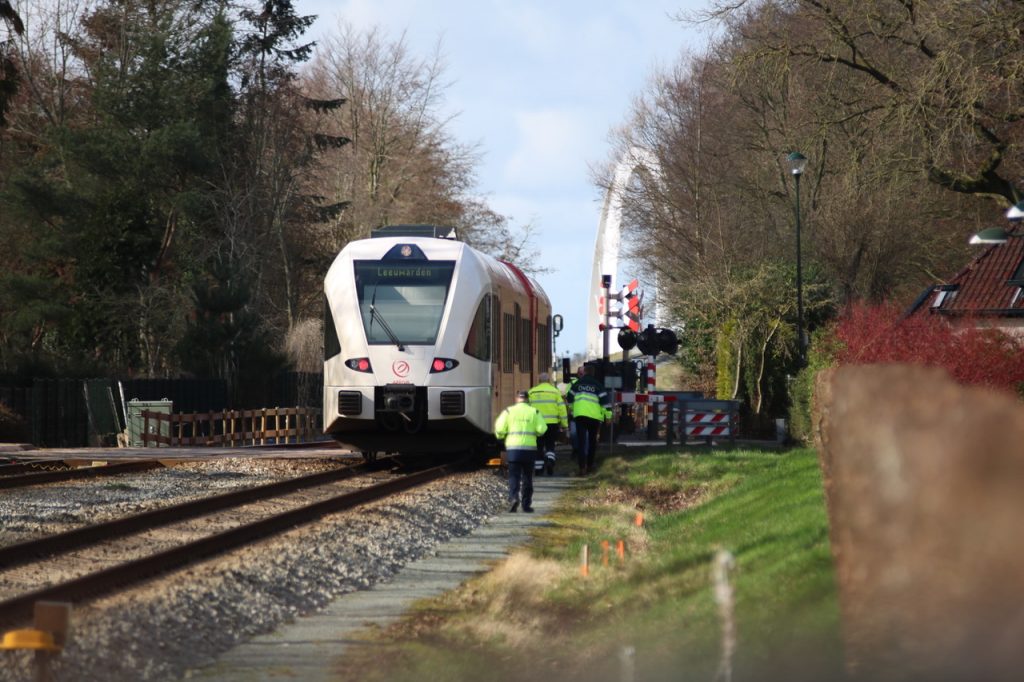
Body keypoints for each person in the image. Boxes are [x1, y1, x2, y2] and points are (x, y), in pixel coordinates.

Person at [494, 390, 548, 512]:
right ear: (527, 399)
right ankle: (526, 505)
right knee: (527, 477)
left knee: (514, 476)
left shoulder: (508, 411)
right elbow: (542, 429)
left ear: (517, 398)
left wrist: (501, 437)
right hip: (529, 450)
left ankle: (513, 498)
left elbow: (499, 429)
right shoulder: (534, 412)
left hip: (513, 450)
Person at [566, 364, 610, 476]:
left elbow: (569, 398)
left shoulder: (577, 384)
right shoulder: (598, 385)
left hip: (580, 416)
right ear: (593, 373)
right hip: (594, 417)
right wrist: (608, 417)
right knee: (592, 442)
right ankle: (590, 466)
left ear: (584, 372)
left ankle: (582, 468)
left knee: (581, 442)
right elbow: (605, 402)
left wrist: (572, 409)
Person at [528, 372, 568, 476]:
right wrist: (564, 424)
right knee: (550, 445)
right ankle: (550, 461)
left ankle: (538, 470)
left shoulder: (531, 392)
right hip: (552, 424)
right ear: (549, 381)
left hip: (537, 424)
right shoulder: (555, 392)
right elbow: (562, 409)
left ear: (539, 381)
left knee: (539, 447)